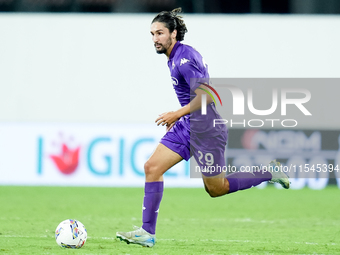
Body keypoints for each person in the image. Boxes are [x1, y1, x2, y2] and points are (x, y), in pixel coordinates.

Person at [116, 7, 289, 248]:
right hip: (190, 124)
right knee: (152, 167)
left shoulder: (184, 59)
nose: (155, 39)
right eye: (152, 34)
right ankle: (147, 233)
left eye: (160, 33)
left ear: (173, 33)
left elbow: (209, 95)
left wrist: (176, 113)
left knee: (216, 189)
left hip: (207, 129)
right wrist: (180, 117)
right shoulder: (175, 56)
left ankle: (268, 172)